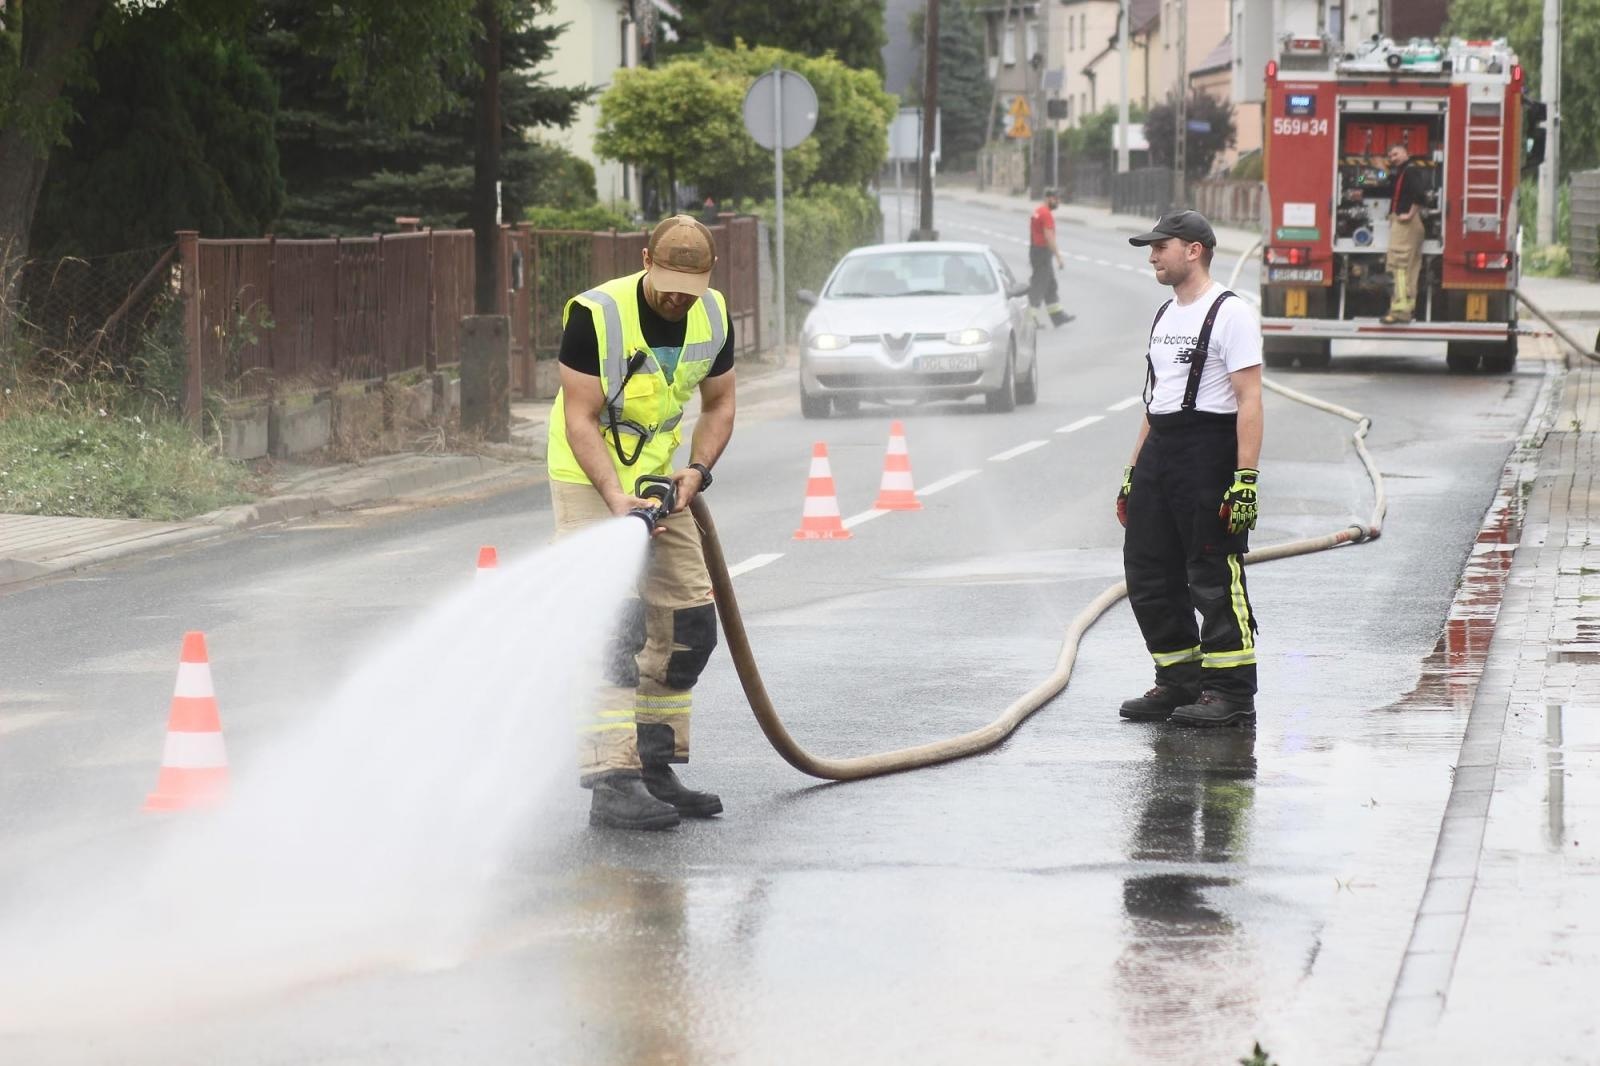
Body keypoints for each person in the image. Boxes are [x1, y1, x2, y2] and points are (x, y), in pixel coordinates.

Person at [546, 214, 736, 829]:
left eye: (692, 285)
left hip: (660, 483)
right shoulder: (595, 315)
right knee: (613, 627)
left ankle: (653, 767)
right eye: (669, 282)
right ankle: (612, 780)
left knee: (690, 626)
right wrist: (613, 497)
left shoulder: (712, 314)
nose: (679, 297)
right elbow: (580, 418)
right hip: (590, 478)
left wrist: (697, 472)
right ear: (645, 257)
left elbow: (721, 402)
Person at [1115, 210, 1263, 728]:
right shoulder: (1164, 316)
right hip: (1162, 449)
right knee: (1148, 570)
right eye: (1150, 247)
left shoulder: (1231, 314)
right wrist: (1134, 473)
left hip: (1208, 452)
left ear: (1194, 250)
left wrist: (1246, 480)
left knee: (1212, 572)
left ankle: (1230, 691)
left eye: (1161, 246)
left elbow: (1249, 401)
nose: (1153, 255)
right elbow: (1155, 402)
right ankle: (1179, 679)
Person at [1381, 142, 1426, 324]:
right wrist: (1360, 180)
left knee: (1397, 267)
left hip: (1405, 224)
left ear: (1407, 153)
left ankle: (1398, 312)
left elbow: (1420, 194)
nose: (1393, 158)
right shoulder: (1399, 173)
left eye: (1396, 154)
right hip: (1408, 225)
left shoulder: (1411, 171)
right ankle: (1406, 310)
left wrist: (1410, 213)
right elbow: (1380, 180)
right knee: (1410, 270)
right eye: (1390, 156)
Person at [1029, 188, 1074, 327]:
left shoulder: (1038, 211)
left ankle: (1057, 316)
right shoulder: (1046, 214)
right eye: (1056, 199)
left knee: (1050, 285)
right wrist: (1058, 257)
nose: (1058, 202)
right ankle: (1029, 319)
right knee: (1039, 285)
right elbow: (1049, 237)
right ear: (1049, 198)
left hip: (1036, 251)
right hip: (1042, 252)